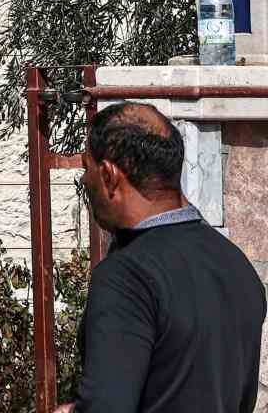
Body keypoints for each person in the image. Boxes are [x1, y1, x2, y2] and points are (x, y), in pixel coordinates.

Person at [65, 100, 265, 413]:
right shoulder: (236, 264)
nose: (84, 181)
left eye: (85, 167)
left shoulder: (126, 277)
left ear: (108, 175)